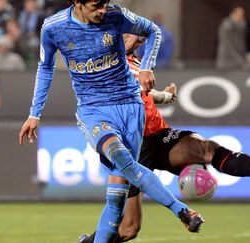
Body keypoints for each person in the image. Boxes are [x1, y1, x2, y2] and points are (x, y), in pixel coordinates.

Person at [79, 33, 250, 243]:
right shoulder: (108, 62)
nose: (138, 41)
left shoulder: (135, 60)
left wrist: (164, 96)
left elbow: (142, 91)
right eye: (134, 36)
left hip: (158, 135)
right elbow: (130, 83)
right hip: (131, 148)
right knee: (129, 229)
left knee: (205, 148)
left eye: (141, 39)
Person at [18, 1, 204, 242]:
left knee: (116, 200)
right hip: (94, 110)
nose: (102, 11)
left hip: (130, 108)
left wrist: (147, 67)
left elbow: (153, 31)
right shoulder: (54, 27)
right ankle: (181, 210)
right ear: (78, 3)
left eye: (104, 4)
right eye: (96, 6)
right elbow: (45, 68)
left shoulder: (116, 15)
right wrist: (35, 113)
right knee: (122, 159)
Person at [216, 6, 247, 70]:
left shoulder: (241, 25)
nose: (241, 17)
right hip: (227, 63)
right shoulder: (227, 26)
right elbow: (228, 46)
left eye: (242, 15)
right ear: (232, 14)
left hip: (237, 62)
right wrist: (240, 61)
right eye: (239, 15)